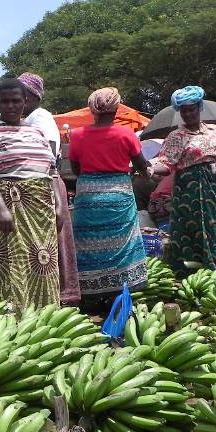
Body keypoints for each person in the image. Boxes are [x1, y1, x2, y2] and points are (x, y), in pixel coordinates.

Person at [0, 79, 60, 310]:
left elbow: (51, 172)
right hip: (10, 203)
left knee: (42, 261)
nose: (10, 106)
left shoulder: (37, 131)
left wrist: (59, 206)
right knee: (11, 261)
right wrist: (1, 208)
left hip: (41, 207)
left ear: (26, 102)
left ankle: (44, 314)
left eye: (16, 101)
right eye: (5, 101)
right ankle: (10, 317)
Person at [69, 87, 149, 298]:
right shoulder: (126, 134)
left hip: (88, 195)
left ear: (92, 110)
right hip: (118, 194)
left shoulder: (77, 135)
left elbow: (76, 169)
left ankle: (90, 292)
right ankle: (121, 288)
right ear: (116, 110)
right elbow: (142, 166)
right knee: (121, 241)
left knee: (87, 242)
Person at [151, 86, 216, 276]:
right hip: (190, 192)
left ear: (200, 108)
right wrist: (149, 169)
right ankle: (191, 273)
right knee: (192, 229)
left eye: (192, 109)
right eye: (184, 111)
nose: (188, 114)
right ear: (179, 112)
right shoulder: (176, 136)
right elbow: (166, 164)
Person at [18, 71, 80, 305]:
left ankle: (60, 292)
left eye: (20, 95)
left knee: (49, 237)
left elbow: (49, 150)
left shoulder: (40, 116)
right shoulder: (34, 117)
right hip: (41, 179)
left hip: (45, 180)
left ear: (30, 96)